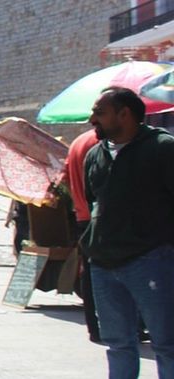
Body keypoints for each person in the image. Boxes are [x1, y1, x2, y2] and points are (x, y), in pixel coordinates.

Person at [81, 87, 174, 379]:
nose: (91, 119)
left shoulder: (162, 148)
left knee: (166, 344)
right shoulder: (94, 155)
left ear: (125, 114)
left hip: (152, 261)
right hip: (103, 265)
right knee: (118, 344)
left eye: (99, 112)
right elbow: (92, 204)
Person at [64, 128, 101, 342]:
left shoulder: (78, 142)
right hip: (101, 215)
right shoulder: (101, 143)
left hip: (82, 215)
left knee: (89, 271)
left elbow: (65, 179)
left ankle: (94, 326)